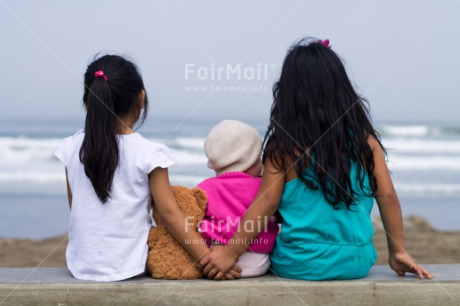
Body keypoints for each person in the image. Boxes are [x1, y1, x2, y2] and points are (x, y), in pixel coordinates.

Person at [200, 38, 433, 281]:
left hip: (300, 263)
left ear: (289, 93)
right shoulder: (367, 142)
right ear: (341, 89)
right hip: (357, 263)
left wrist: (231, 251)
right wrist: (398, 251)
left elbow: (265, 204)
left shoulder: (283, 147)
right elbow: (388, 197)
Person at [55, 54, 240, 281]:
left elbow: (77, 206)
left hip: (81, 265)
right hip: (130, 266)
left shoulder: (71, 148)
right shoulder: (149, 153)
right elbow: (170, 214)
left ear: (88, 103)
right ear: (141, 99)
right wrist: (206, 258)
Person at [197, 120, 278, 277]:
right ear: (253, 160)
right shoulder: (265, 187)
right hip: (258, 263)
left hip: (215, 259)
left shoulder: (205, 187)